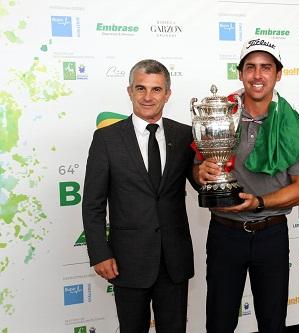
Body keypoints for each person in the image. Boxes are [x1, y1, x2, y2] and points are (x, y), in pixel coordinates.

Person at [194, 38, 299, 333]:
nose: (257, 75)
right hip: (225, 233)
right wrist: (202, 170)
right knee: (220, 321)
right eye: (250, 67)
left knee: (272, 322)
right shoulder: (219, 114)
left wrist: (260, 202)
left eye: (266, 67)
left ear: (278, 74)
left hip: (271, 235)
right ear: (240, 73)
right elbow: (196, 166)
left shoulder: (292, 124)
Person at [82, 59, 196, 333]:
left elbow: (201, 184)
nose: (148, 97)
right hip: (127, 260)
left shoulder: (184, 135)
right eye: (140, 88)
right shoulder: (107, 139)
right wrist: (99, 253)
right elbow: (93, 203)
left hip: (174, 259)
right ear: (129, 91)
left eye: (156, 90)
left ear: (167, 93)